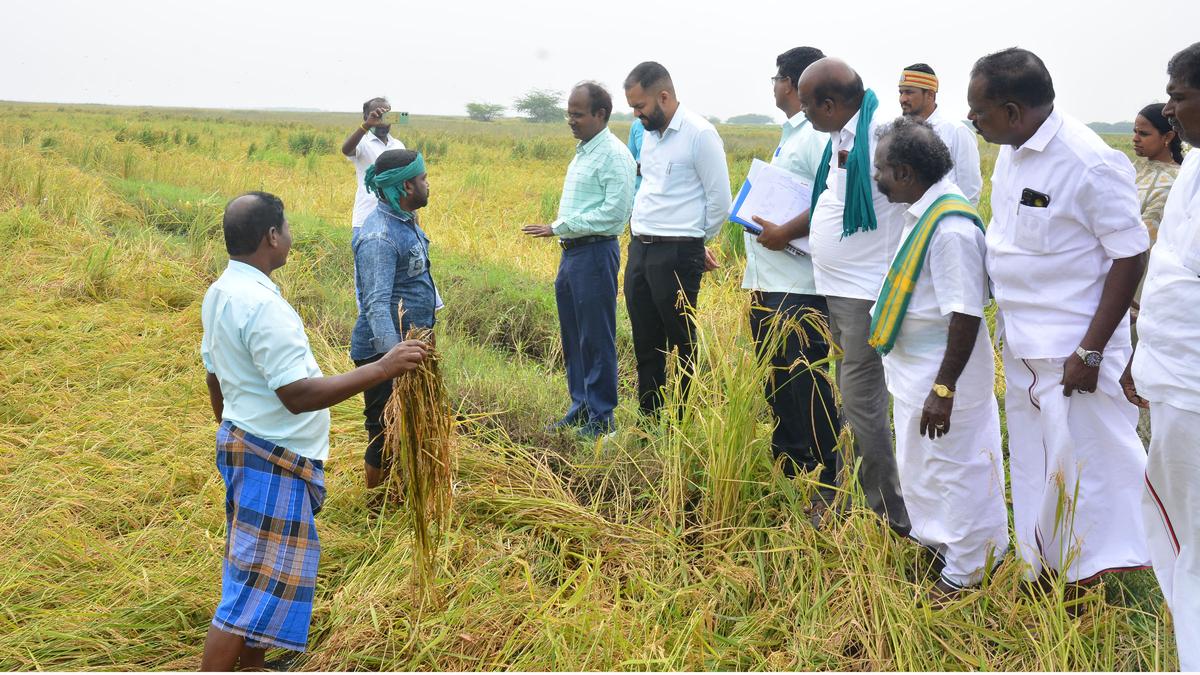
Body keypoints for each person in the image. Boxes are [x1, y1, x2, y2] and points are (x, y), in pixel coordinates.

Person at [199, 192, 427, 670]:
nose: (291, 237)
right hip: (270, 456)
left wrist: (232, 427)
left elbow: (213, 373)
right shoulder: (262, 306)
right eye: (287, 229)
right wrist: (384, 367)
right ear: (271, 237)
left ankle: (254, 666)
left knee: (265, 576)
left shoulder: (222, 291)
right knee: (247, 592)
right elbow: (298, 395)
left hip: (250, 445)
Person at [967, 47, 1150, 588]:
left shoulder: (1087, 161)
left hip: (1075, 353)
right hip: (1026, 345)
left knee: (1087, 468)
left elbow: (1129, 254)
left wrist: (1091, 351)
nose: (972, 119)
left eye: (979, 110)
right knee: (1037, 463)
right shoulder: (1011, 150)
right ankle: (1043, 566)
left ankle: (1086, 580)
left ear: (1014, 110)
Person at [871, 117, 1007, 601]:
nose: (876, 178)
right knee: (925, 467)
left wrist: (943, 388)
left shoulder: (949, 227)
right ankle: (942, 545)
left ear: (906, 172)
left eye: (881, 169)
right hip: (917, 375)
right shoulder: (925, 212)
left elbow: (965, 315)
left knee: (958, 470)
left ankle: (970, 568)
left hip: (943, 382)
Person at [797, 57, 910, 534]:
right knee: (849, 399)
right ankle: (852, 497)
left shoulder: (882, 135)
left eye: (807, 106)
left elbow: (915, 203)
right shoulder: (843, 136)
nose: (804, 115)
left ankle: (888, 515)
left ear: (830, 103)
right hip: (840, 290)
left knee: (862, 403)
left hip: (867, 293)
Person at [1124, 40, 1200, 673]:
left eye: (1178, 96)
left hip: (1193, 386)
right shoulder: (1196, 166)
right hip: (1172, 376)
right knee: (1177, 523)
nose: (1171, 112)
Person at [741, 46, 839, 506]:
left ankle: (828, 479)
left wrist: (785, 232)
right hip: (772, 279)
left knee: (807, 381)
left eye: (778, 77)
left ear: (796, 84)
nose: (775, 86)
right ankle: (792, 464)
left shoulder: (818, 136)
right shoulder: (793, 134)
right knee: (779, 379)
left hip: (798, 285)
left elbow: (827, 203)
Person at [522, 82, 636, 439]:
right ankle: (581, 407)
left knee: (596, 336)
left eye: (578, 114)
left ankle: (603, 418)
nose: (571, 120)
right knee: (574, 336)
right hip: (572, 254)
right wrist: (562, 233)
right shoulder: (584, 151)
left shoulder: (615, 155)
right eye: (569, 113)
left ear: (601, 115)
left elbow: (615, 214)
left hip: (595, 252)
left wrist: (559, 226)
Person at [623, 61, 730, 418]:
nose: (637, 114)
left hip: (677, 253)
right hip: (640, 248)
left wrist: (696, 242)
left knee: (682, 340)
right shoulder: (648, 136)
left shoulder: (700, 134)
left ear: (664, 97)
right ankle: (649, 418)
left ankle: (681, 422)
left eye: (640, 106)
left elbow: (719, 201)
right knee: (645, 339)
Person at [351, 149, 439, 496]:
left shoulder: (406, 221)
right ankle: (376, 508)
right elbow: (375, 305)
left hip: (410, 347)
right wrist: (392, 363)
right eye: (422, 179)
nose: (427, 184)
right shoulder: (379, 237)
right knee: (383, 430)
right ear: (405, 187)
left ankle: (403, 493)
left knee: (410, 425)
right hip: (383, 353)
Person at [897, 63, 984, 206]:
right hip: (911, 224)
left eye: (909, 92)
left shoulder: (956, 131)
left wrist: (959, 223)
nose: (902, 99)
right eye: (901, 93)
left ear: (930, 95)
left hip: (946, 222)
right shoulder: (902, 132)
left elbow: (970, 190)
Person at [342, 97, 406, 231]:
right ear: (367, 116)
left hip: (396, 218)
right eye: (378, 115)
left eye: (386, 115)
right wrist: (366, 125)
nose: (382, 120)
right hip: (366, 218)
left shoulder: (398, 145)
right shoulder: (362, 143)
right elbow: (346, 150)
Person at [1133, 103, 1184, 243]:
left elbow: (1146, 236)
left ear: (1167, 137)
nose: (1135, 138)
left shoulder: (1175, 180)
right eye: (1135, 132)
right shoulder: (1130, 169)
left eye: (1143, 133)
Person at [628, 116, 644, 193]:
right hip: (637, 192)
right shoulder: (637, 125)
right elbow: (629, 160)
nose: (635, 113)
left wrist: (645, 169)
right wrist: (634, 167)